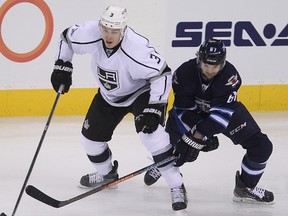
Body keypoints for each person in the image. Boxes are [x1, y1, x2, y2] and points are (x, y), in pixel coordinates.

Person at [50, 5, 189, 211]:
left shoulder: (136, 48)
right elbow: (65, 38)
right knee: (90, 141)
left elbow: (163, 73)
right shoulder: (91, 33)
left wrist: (155, 106)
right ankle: (108, 175)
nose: (108, 35)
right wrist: (62, 64)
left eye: (114, 31)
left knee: (152, 137)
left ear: (123, 29)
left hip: (141, 93)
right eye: (105, 29)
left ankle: (177, 185)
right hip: (109, 96)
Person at [144, 38, 274, 205]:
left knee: (261, 146)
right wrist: (196, 138)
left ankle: (245, 187)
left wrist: (200, 136)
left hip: (223, 115)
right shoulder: (184, 73)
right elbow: (183, 110)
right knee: (170, 145)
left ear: (223, 63)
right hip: (192, 114)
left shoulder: (230, 76)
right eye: (206, 65)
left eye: (215, 66)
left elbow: (221, 116)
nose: (210, 70)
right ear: (199, 59)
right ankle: (164, 164)